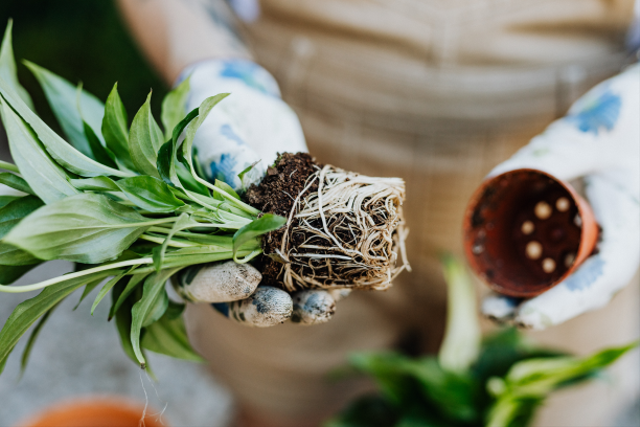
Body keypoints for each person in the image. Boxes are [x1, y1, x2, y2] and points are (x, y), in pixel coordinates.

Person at [117, 1, 640, 426]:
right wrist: (210, 73)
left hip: (568, 168)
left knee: (537, 409)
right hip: (298, 123)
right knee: (286, 405)